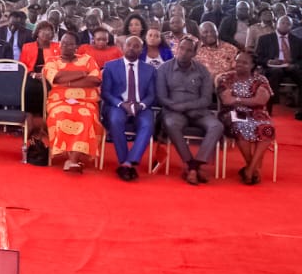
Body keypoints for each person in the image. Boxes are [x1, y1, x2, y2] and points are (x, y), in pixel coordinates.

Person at [156, 36, 222, 186]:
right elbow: (161, 97)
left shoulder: (203, 70)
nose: (184, 53)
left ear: (194, 53)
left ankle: (195, 165)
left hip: (198, 111)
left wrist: (185, 106)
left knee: (216, 126)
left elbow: (206, 99)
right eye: (182, 49)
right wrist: (175, 106)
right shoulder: (164, 69)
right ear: (177, 49)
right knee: (171, 123)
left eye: (189, 50)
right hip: (174, 111)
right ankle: (190, 163)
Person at [43, 32, 103, 173]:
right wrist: (82, 74)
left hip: (86, 102)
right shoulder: (52, 61)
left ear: (76, 46)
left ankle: (72, 160)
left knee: (86, 116)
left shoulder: (88, 59)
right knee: (62, 116)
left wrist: (67, 82)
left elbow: (95, 80)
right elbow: (56, 77)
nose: (65, 46)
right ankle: (72, 159)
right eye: (63, 43)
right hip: (59, 101)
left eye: (69, 44)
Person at [101, 36, 157, 182]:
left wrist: (141, 105)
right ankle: (125, 161)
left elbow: (152, 95)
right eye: (129, 45)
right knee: (115, 119)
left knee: (148, 124)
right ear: (123, 47)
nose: (132, 48)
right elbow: (105, 93)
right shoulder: (110, 66)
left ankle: (128, 162)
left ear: (142, 50)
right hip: (117, 105)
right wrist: (121, 104)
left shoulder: (150, 70)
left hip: (141, 107)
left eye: (136, 46)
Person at [217, 50, 274, 185]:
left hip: (257, 113)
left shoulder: (261, 79)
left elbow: (261, 101)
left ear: (252, 65)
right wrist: (250, 100)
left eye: (244, 62)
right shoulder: (226, 78)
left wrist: (237, 99)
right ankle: (253, 168)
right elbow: (226, 101)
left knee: (267, 128)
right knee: (241, 126)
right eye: (237, 61)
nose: (239, 65)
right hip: (232, 112)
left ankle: (249, 170)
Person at [253, 16, 301, 112]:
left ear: (291, 26)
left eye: (288, 24)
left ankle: (299, 107)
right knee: (275, 72)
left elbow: (300, 59)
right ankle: (273, 105)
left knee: (299, 73)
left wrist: (295, 65)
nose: (285, 25)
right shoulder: (265, 39)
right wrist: (268, 61)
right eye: (282, 23)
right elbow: (257, 58)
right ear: (276, 24)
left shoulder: (298, 41)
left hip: (291, 67)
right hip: (272, 67)